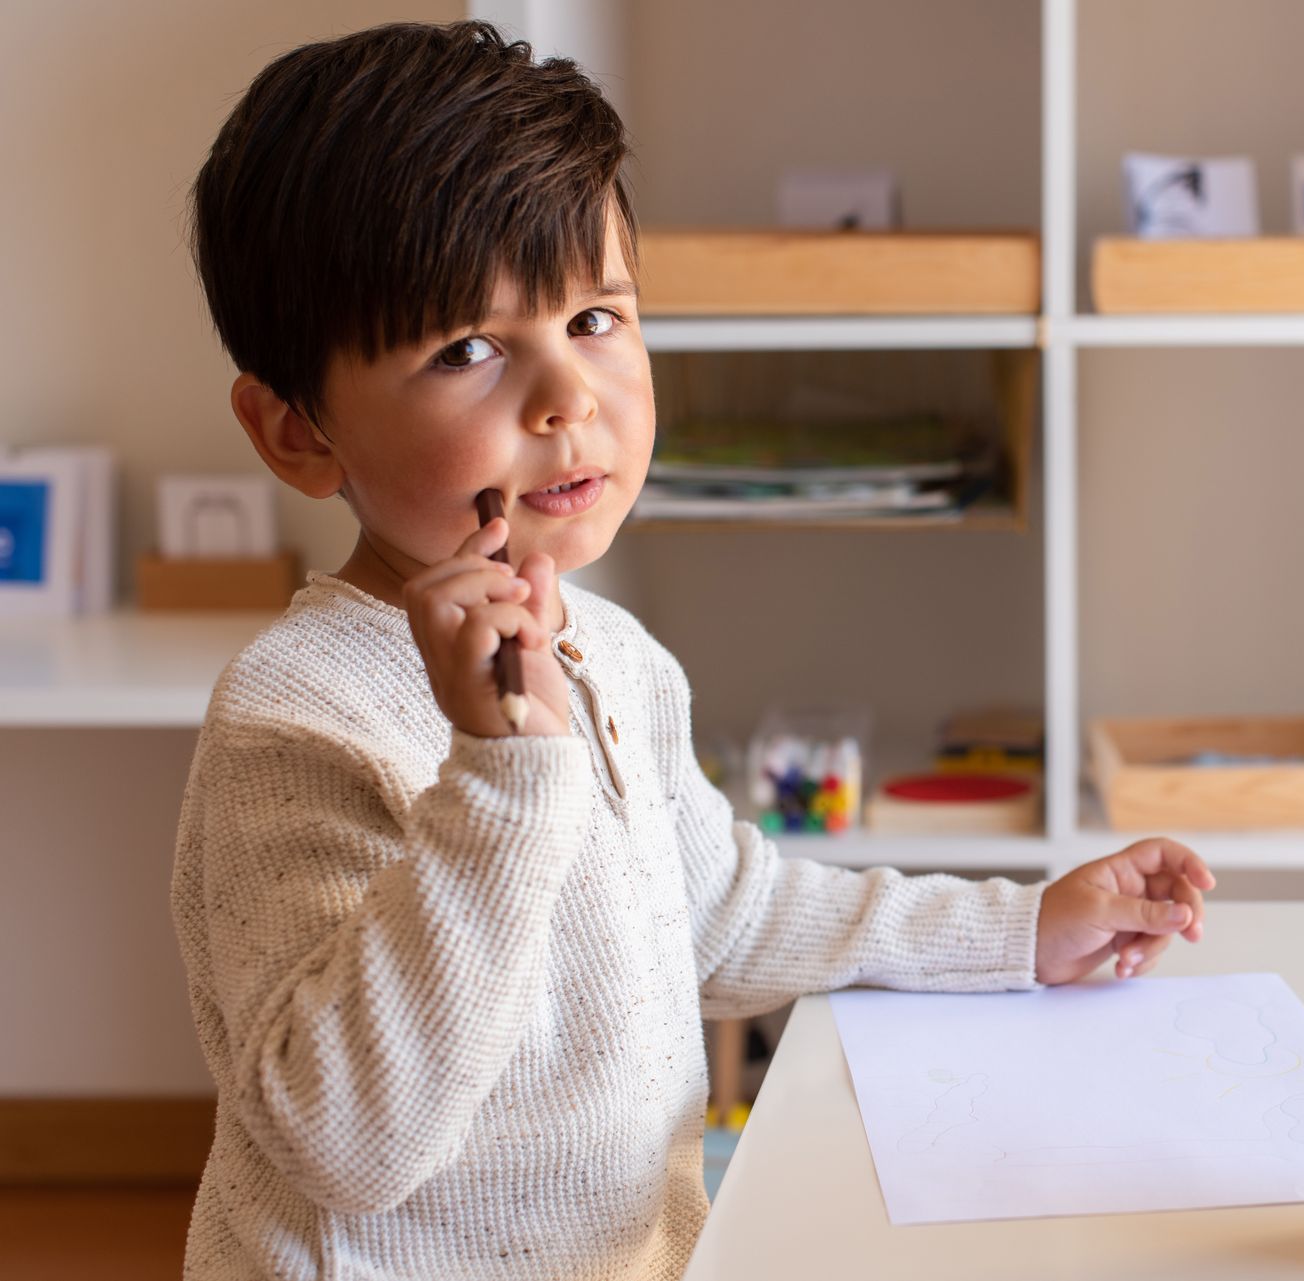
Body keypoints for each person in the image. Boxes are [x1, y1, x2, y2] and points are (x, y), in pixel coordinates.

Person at [171, 20, 1213, 1279]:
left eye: (598, 317)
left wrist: (1019, 933)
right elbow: (346, 1139)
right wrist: (499, 776)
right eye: (470, 349)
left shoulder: (612, 654)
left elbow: (719, 914)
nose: (569, 397)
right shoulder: (297, 720)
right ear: (296, 433)